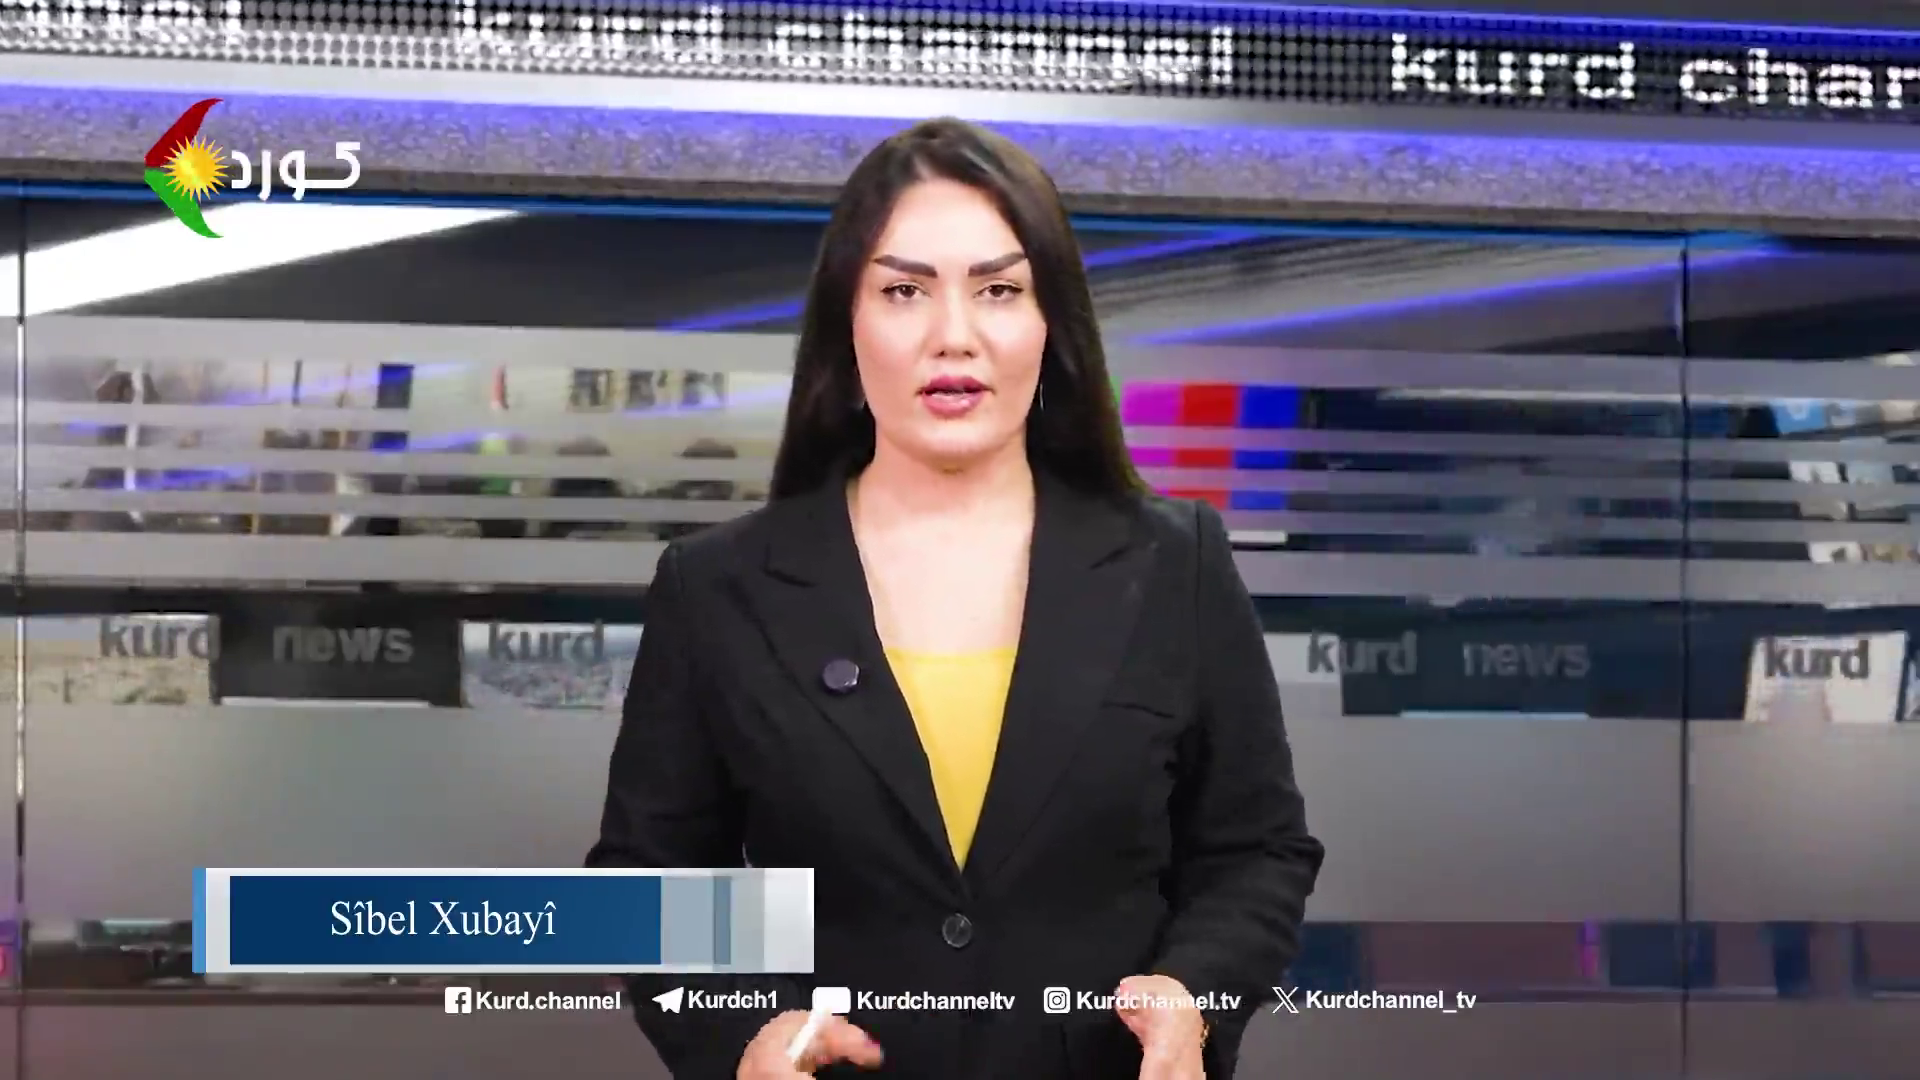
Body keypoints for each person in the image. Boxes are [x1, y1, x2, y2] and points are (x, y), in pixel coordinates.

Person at [587, 117, 1324, 1080]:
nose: (954, 336)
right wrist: (745, 1034)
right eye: (904, 291)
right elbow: (651, 881)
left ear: (1049, 322)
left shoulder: (1174, 563)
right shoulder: (719, 588)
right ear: (847, 325)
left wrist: (1196, 994)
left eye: (999, 290)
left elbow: (1257, 850)